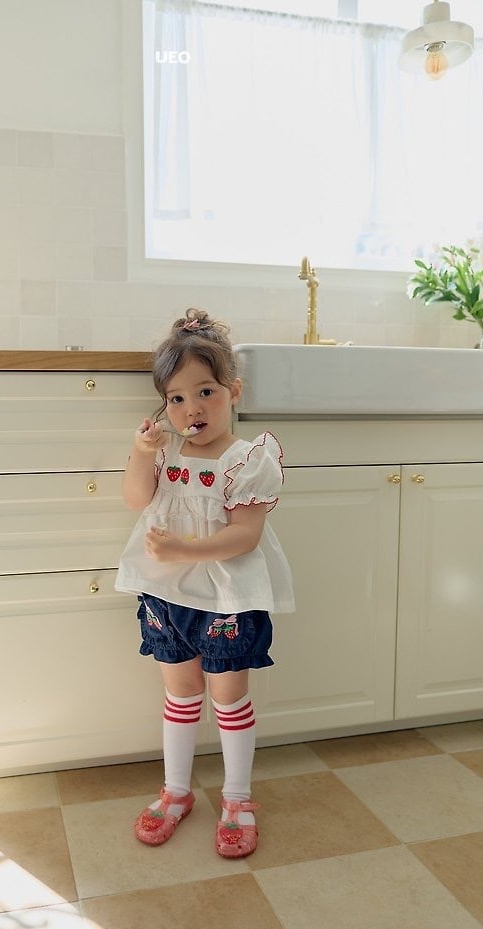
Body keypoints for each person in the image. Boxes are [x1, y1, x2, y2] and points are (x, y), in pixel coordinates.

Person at [115, 308, 294, 858]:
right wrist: (141, 453)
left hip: (227, 599)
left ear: (233, 392)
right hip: (166, 595)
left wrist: (184, 549)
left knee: (228, 696)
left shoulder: (248, 460)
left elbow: (245, 535)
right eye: (176, 398)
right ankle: (176, 791)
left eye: (206, 392)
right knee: (179, 692)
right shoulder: (166, 453)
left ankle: (237, 798)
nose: (191, 408)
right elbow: (136, 499)